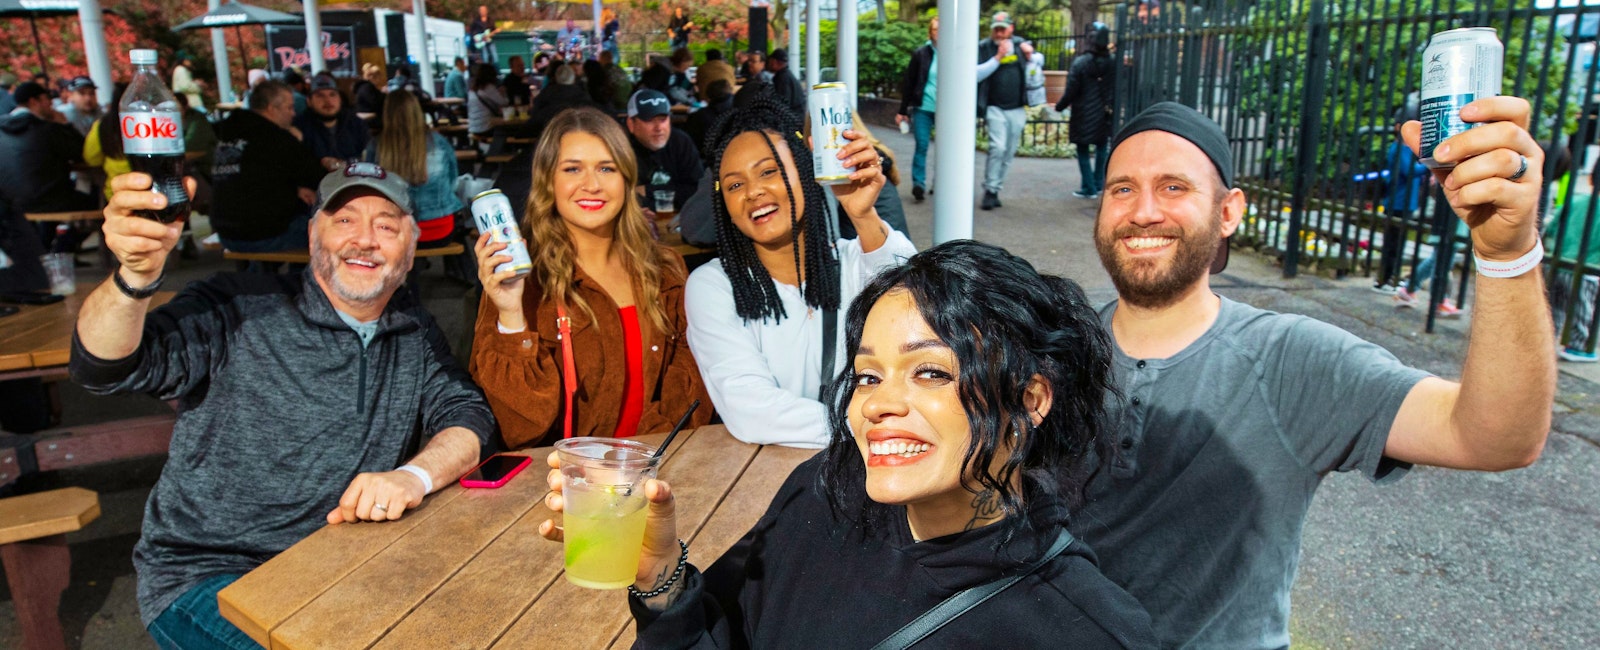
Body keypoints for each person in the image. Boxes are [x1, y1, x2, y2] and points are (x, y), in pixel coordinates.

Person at [1078, 99, 1554, 648]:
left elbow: (1496, 437)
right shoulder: (1051, 341)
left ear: (1229, 211)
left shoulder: (1292, 358)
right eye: (1122, 189)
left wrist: (1508, 253)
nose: (1143, 212)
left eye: (1173, 187)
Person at [539, 240, 1157, 648]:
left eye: (931, 372)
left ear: (1031, 399)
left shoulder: (1084, 628)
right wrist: (660, 577)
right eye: (866, 375)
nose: (878, 404)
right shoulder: (822, 493)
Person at [74, 165, 494, 648]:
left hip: (347, 565)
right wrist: (134, 278)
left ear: (411, 245)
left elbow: (469, 417)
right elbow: (105, 368)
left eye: (385, 224)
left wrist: (412, 477)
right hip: (211, 573)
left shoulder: (412, 330)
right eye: (344, 220)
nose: (365, 239)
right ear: (313, 231)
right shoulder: (236, 304)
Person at [470, 107, 711, 448]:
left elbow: (692, 387)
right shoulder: (522, 280)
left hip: (655, 470)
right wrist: (510, 314)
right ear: (548, 182)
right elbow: (521, 428)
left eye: (606, 168)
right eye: (572, 169)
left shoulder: (664, 269)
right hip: (560, 486)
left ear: (626, 179)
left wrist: (641, 454)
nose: (592, 185)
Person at [685, 94, 916, 448]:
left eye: (769, 171)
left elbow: (917, 303)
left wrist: (862, 215)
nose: (753, 191)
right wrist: (879, 428)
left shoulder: (857, 261)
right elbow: (752, 411)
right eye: (734, 185)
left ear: (804, 172)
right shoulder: (714, 287)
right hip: (769, 482)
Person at [209, 81, 326, 254]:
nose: (293, 114)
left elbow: (256, 177)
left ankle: (257, 273)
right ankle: (299, 279)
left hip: (225, 232)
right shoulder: (275, 137)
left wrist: (295, 188)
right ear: (272, 109)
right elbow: (318, 177)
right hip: (263, 234)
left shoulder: (229, 132)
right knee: (329, 228)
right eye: (289, 107)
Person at [367, 91, 462, 249]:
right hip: (440, 230)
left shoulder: (377, 146)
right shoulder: (439, 142)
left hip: (396, 234)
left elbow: (370, 190)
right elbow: (453, 183)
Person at [975, 11, 1040, 211]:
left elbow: (1037, 66)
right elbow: (976, 75)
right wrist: (998, 56)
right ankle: (989, 189)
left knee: (1009, 151)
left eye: (1003, 29)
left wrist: (1031, 56)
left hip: (1017, 107)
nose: (999, 33)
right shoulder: (984, 47)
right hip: (995, 106)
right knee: (998, 148)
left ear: (1011, 28)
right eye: (996, 29)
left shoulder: (1021, 45)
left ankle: (995, 188)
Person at [0, 82, 94, 217]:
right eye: (47, 99)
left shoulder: (2, 129)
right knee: (101, 206)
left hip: (10, 204)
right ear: (34, 101)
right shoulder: (48, 129)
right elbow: (84, 153)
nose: (51, 104)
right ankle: (63, 238)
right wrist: (65, 124)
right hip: (52, 201)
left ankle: (46, 239)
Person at [1054, 21, 1114, 199]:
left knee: (1083, 150)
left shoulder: (1080, 63)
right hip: (1103, 111)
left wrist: (1060, 106)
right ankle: (1097, 184)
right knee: (1102, 147)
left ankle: (1088, 188)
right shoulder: (1111, 62)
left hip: (1083, 112)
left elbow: (1072, 89)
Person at [625, 89, 701, 214]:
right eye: (649, 120)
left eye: (663, 119)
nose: (658, 128)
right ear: (631, 124)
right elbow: (623, 196)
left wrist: (648, 190)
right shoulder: (621, 148)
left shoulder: (681, 142)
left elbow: (698, 190)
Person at [896, 18, 938, 203]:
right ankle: (918, 184)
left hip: (947, 113)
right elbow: (909, 82)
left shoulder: (954, 53)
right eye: (936, 29)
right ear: (930, 32)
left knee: (946, 150)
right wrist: (902, 110)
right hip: (924, 108)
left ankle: (941, 183)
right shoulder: (921, 54)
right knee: (922, 145)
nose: (939, 32)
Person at [294, 73, 371, 172]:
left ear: (340, 99)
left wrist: (343, 164)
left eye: (332, 94)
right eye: (320, 96)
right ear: (309, 101)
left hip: (353, 183)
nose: (327, 100)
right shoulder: (299, 127)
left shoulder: (356, 124)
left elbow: (370, 158)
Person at [84, 84, 132, 200]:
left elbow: (92, 159)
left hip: (116, 192)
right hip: (154, 189)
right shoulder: (153, 124)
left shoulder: (102, 126)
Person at [684, 79, 733, 159]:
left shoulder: (698, 116)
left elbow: (690, 145)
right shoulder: (742, 113)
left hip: (706, 162)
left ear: (708, 96)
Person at [467, 63, 506, 137]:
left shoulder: (472, 89)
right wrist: (503, 93)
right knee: (506, 130)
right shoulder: (488, 88)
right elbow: (504, 102)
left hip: (473, 127)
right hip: (485, 127)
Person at [764, 49, 805, 116]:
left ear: (773, 61)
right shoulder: (786, 75)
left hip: (792, 121)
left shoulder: (782, 78)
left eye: (769, 60)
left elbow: (782, 105)